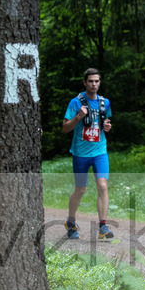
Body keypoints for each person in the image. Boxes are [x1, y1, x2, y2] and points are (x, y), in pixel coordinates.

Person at [62, 68, 114, 240]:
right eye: (90, 81)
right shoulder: (75, 103)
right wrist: (78, 117)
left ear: (100, 82)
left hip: (100, 151)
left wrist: (106, 125)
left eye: (97, 81)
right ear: (85, 82)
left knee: (103, 185)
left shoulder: (104, 102)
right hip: (80, 154)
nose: (94, 84)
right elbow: (65, 128)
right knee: (80, 189)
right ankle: (70, 222)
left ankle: (103, 226)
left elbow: (105, 121)